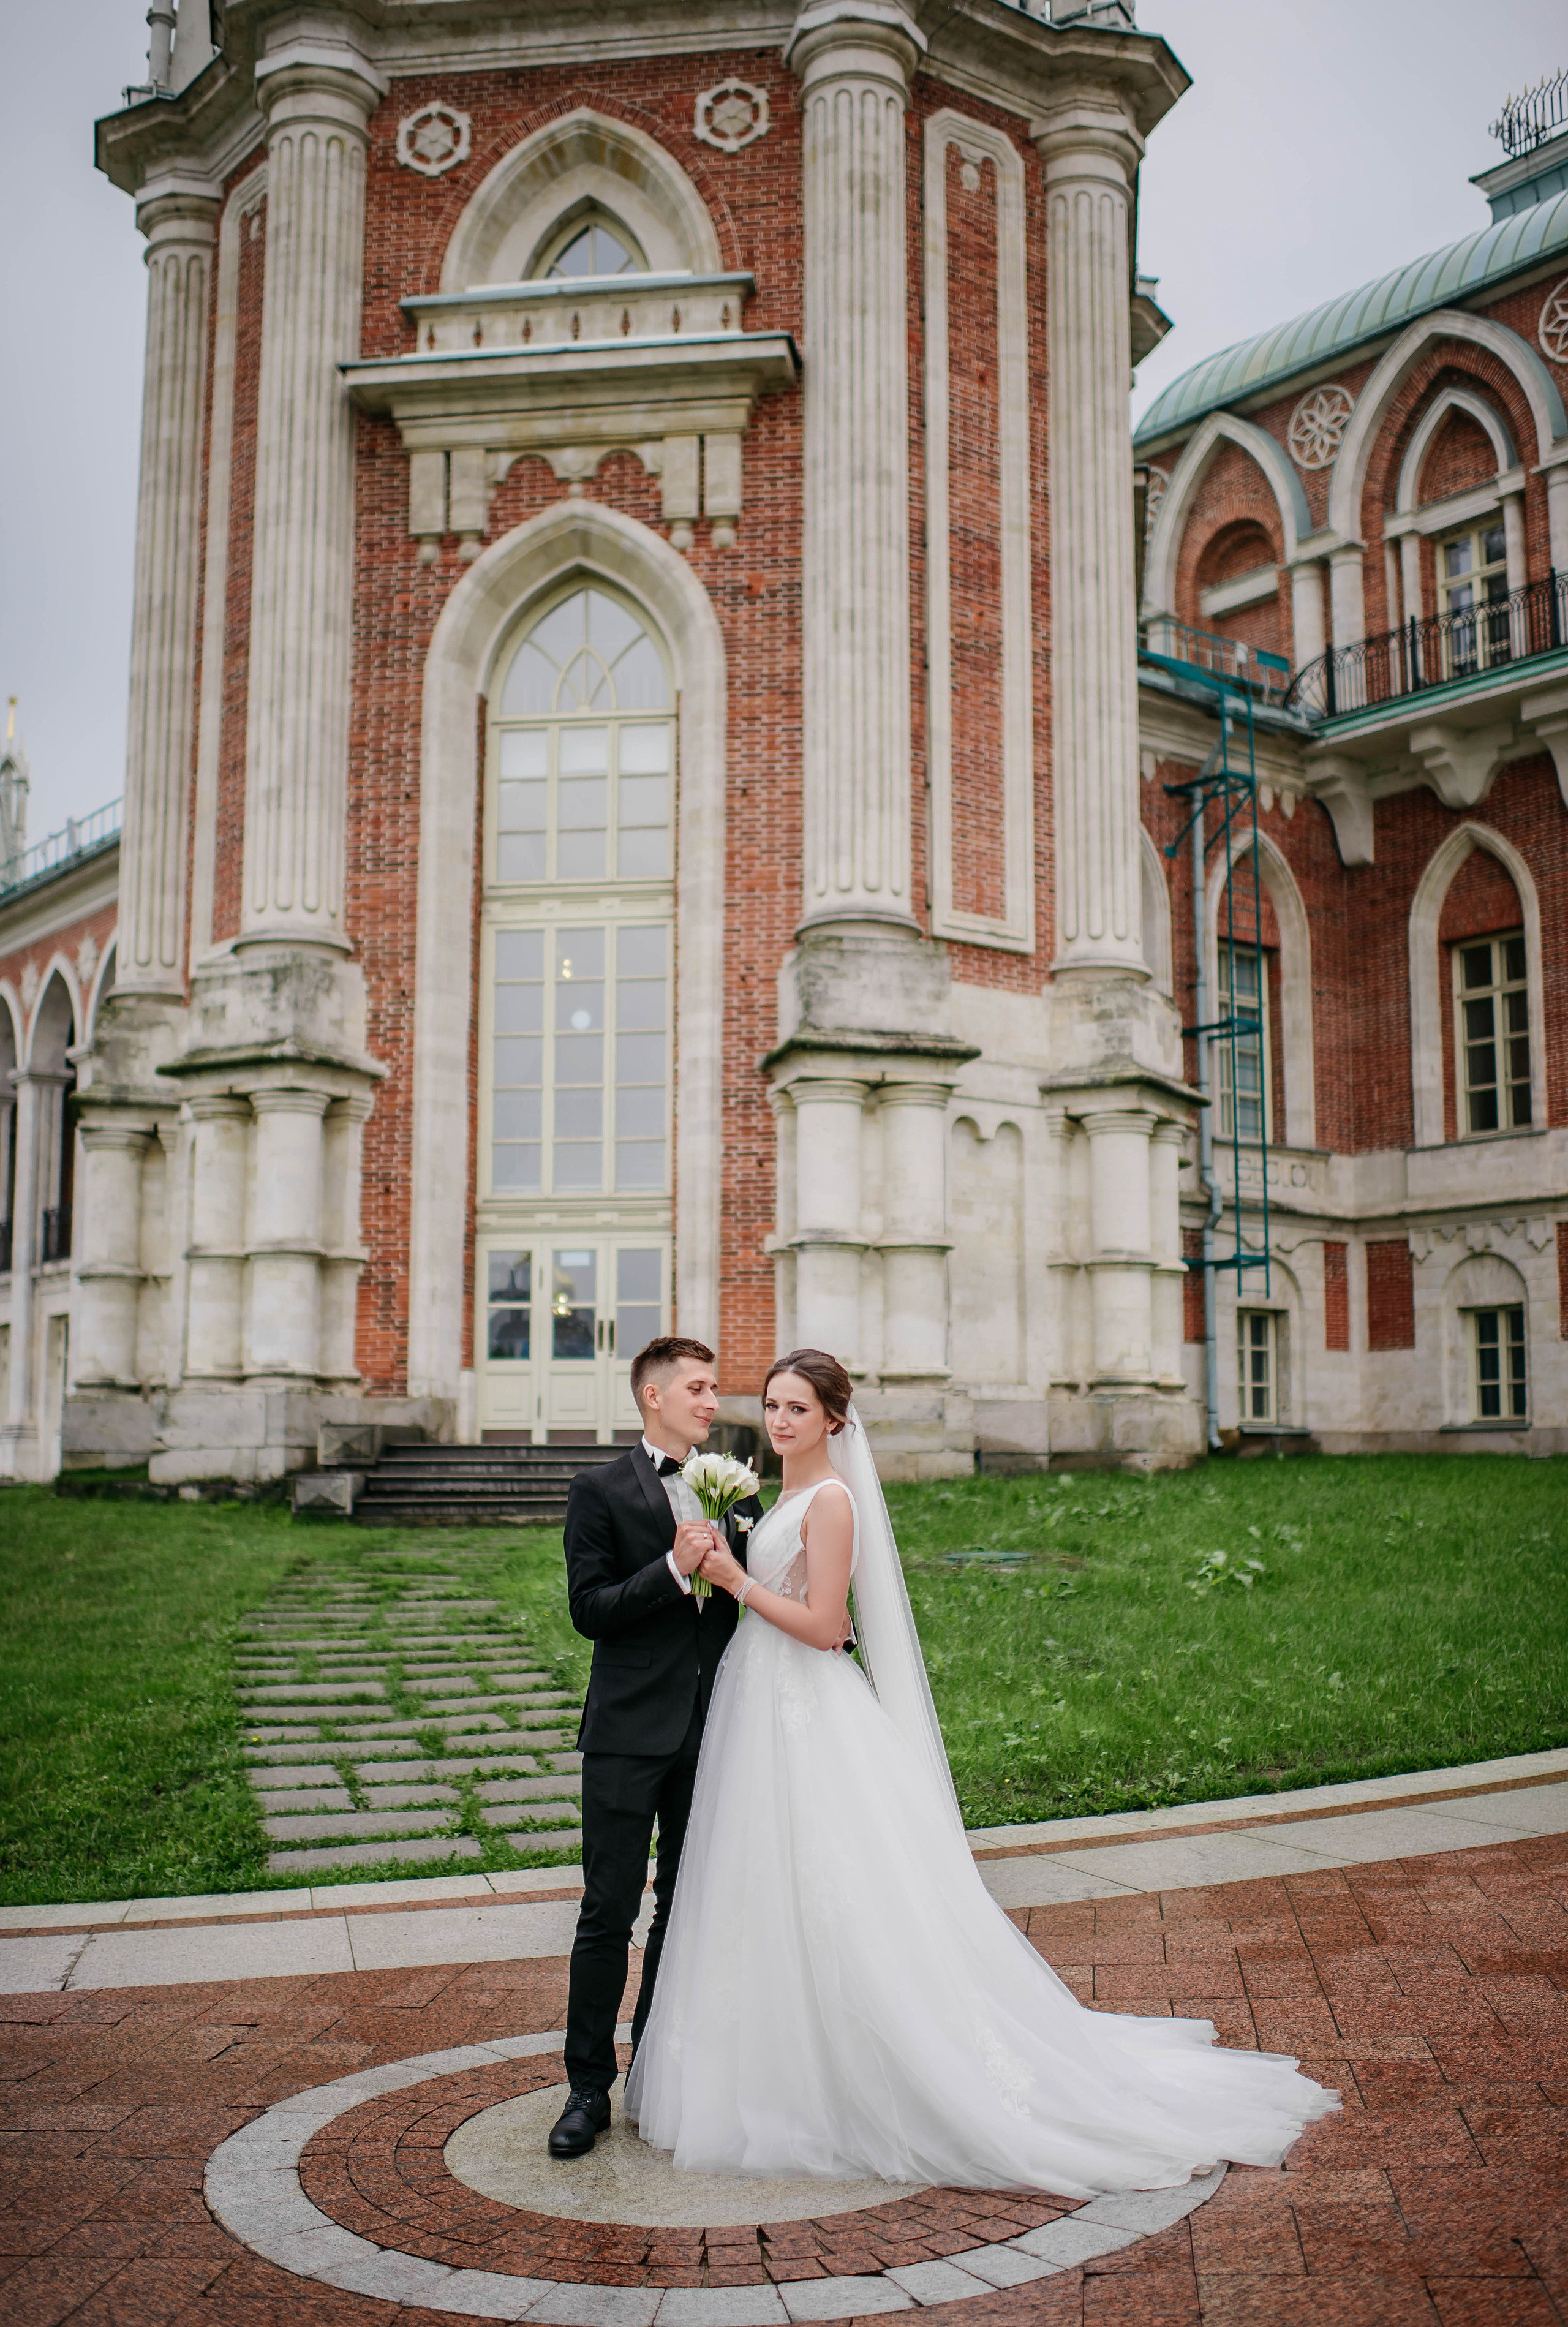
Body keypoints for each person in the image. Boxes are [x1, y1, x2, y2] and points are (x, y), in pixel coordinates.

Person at [624, 1348, 1339, 2195]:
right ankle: (766, 2060)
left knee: (834, 1886)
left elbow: (824, 1628)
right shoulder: (775, 1496)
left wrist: (736, 1580)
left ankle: (867, 2069)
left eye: (799, 1410)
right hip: (757, 1705)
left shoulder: (834, 1502)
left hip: (803, 1708)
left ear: (834, 1423)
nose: (780, 1422)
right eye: (774, 1406)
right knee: (761, 1885)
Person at [549, 1336, 763, 2160]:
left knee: (683, 1907)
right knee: (609, 1910)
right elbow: (589, 1609)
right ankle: (586, 2089)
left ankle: (656, 2073)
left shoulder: (737, 1492)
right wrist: (672, 1572)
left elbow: (757, 1589)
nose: (712, 1402)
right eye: (700, 1389)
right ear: (655, 1397)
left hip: (710, 1730)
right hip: (626, 1734)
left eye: (715, 1388)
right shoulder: (599, 1489)